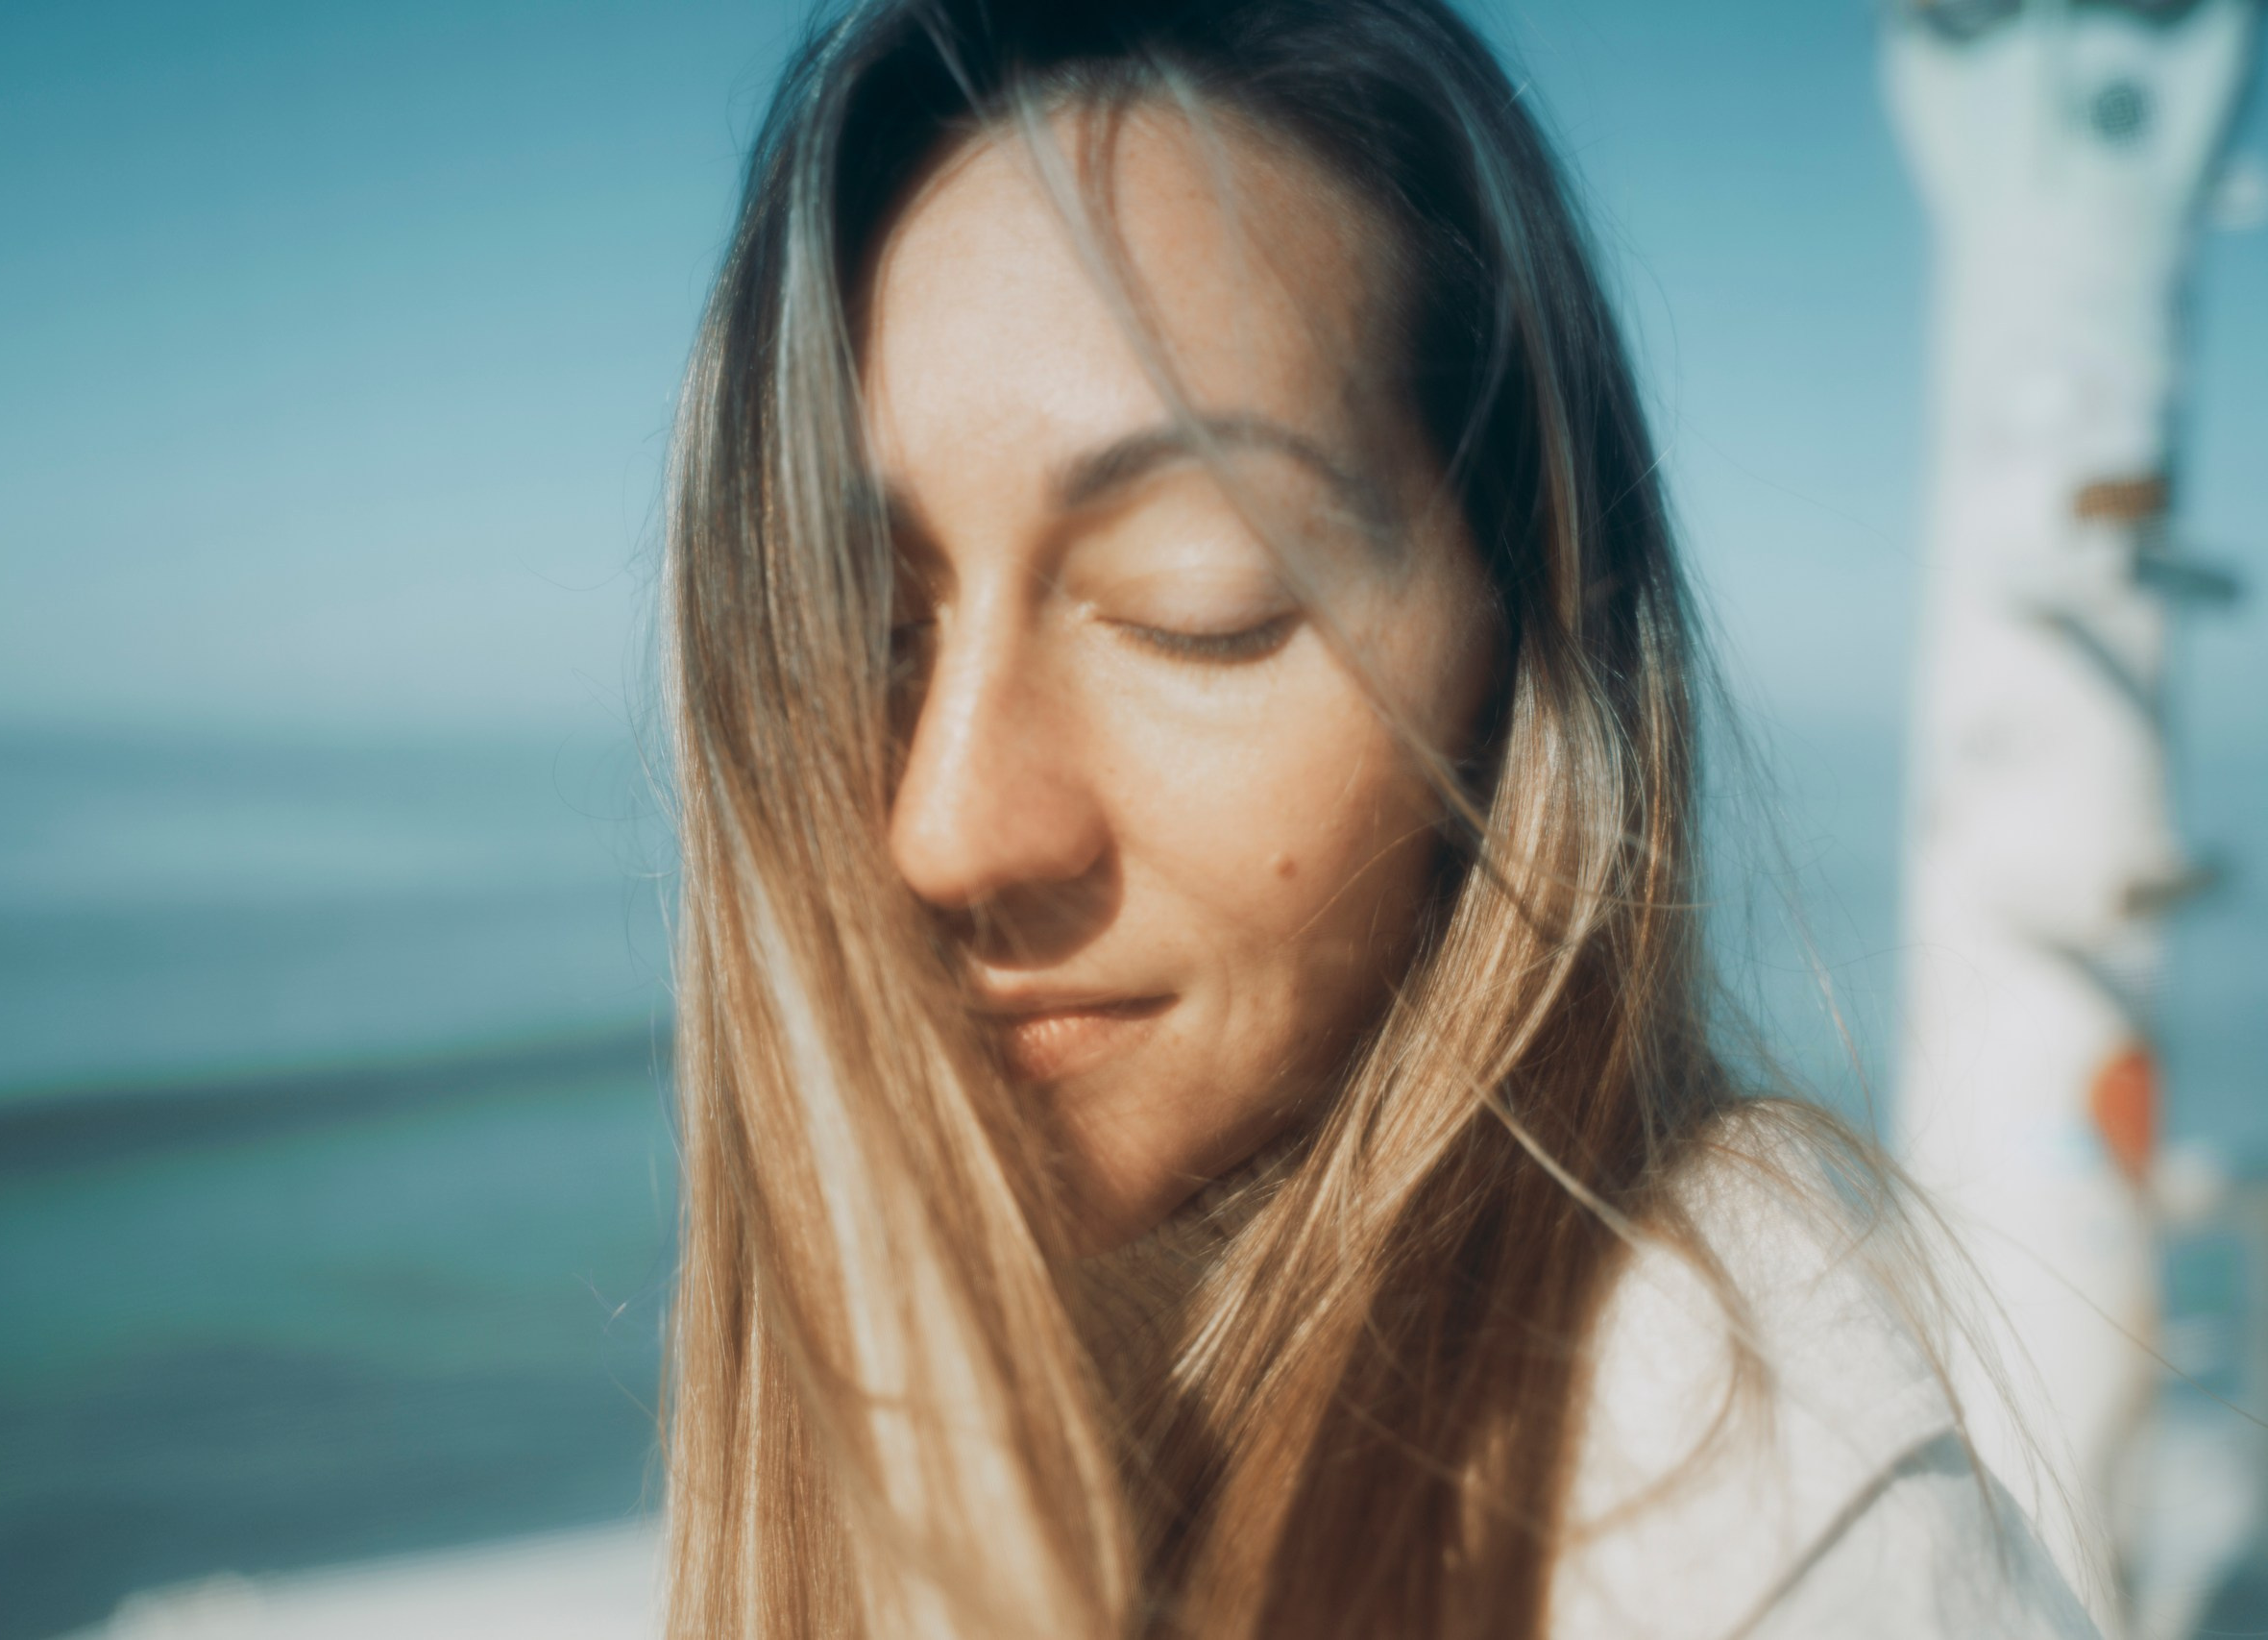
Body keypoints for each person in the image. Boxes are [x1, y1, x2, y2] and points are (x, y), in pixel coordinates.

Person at [656, 2, 2100, 1635]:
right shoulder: (1054, 1347)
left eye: (1194, 603)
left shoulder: (1718, 1509)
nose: (946, 830)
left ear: (1516, 653)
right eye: (867, 632)